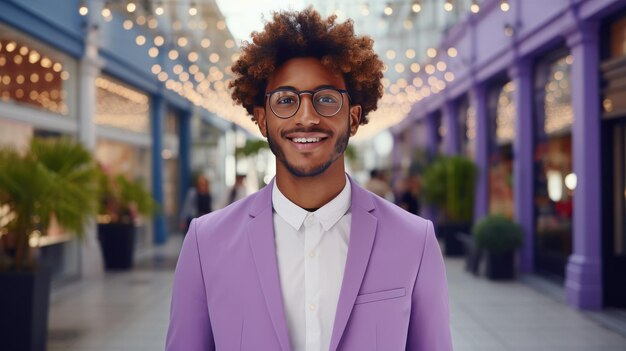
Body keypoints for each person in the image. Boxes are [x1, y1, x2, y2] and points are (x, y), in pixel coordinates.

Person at [167, 7, 452, 351]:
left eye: (326, 99)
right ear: (261, 119)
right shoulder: (205, 243)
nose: (306, 117)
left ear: (354, 117)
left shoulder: (414, 241)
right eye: (286, 100)